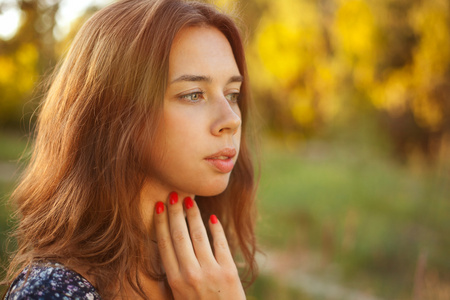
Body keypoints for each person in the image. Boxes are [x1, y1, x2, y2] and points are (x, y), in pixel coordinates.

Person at [2, 0, 258, 299]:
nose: (231, 119)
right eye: (193, 95)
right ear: (117, 112)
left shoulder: (205, 279)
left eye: (233, 94)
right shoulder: (53, 293)